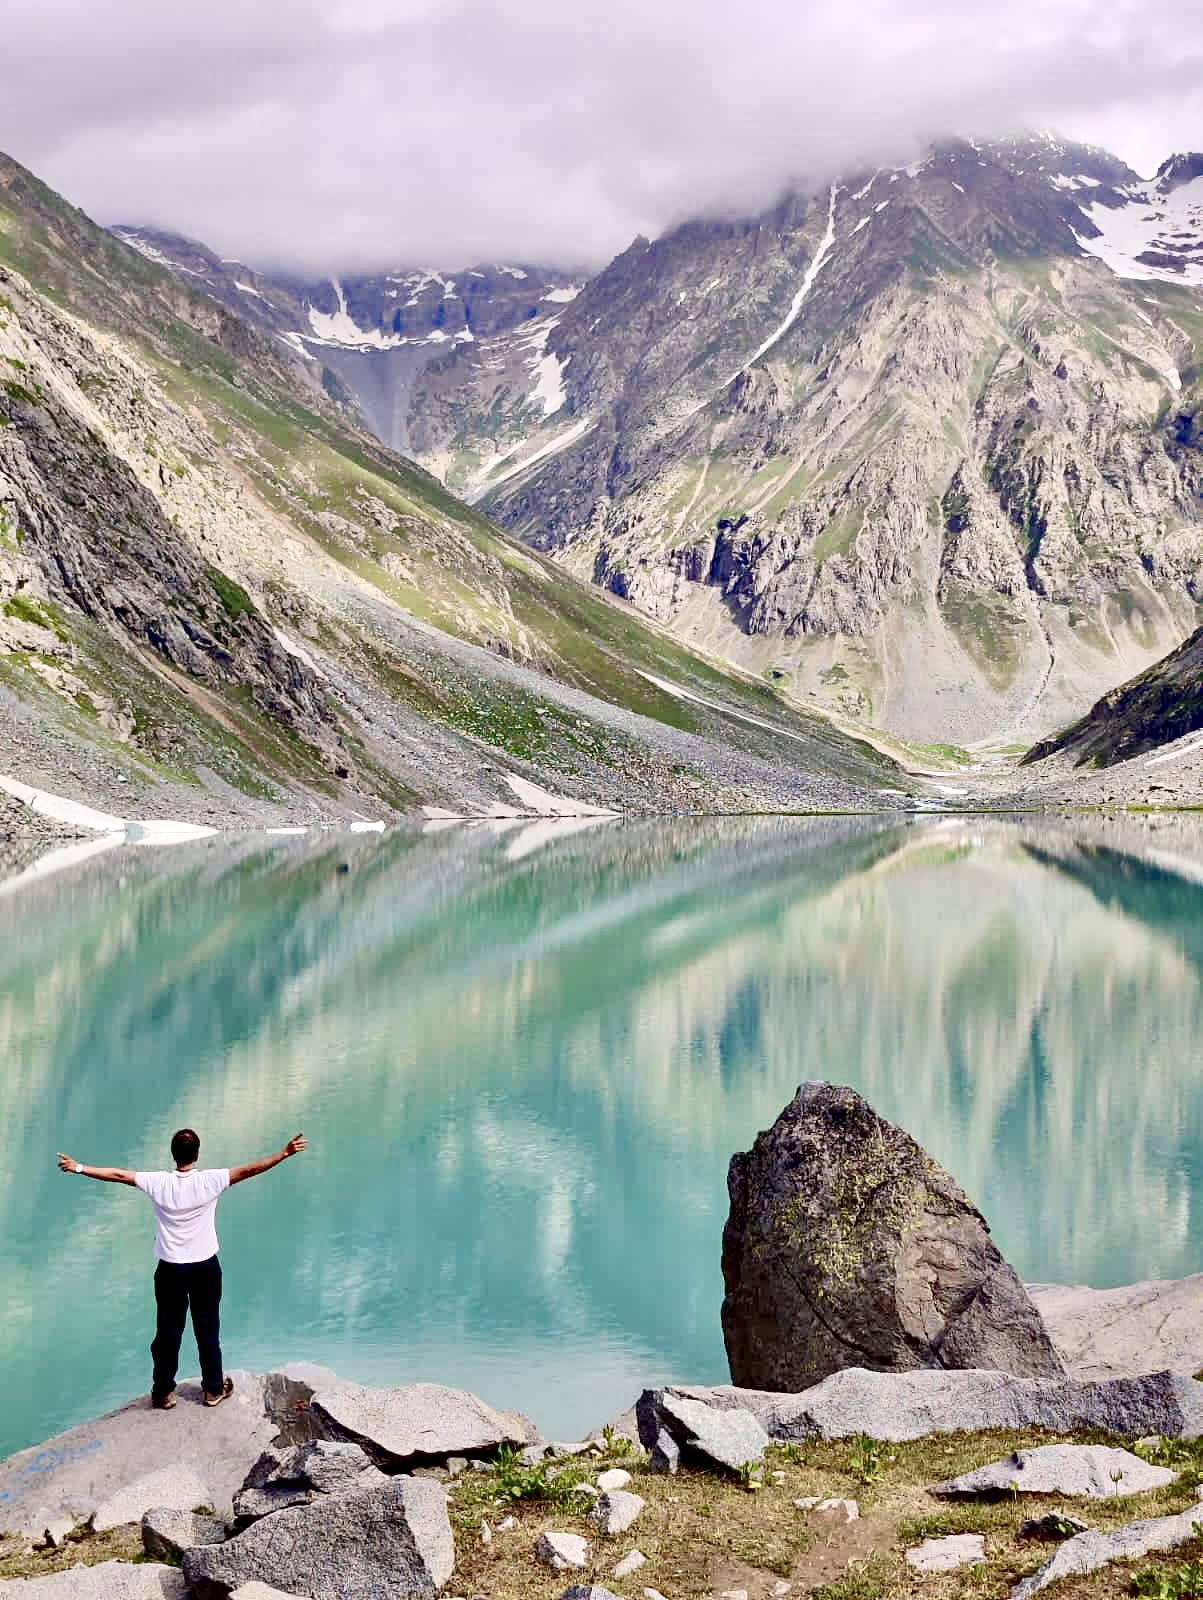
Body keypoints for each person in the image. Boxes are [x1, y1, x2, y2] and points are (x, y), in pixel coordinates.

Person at [56, 1128, 306, 1410]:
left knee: (168, 1331)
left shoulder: (158, 1182)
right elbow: (250, 1169)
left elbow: (118, 1175)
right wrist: (284, 1153)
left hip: (170, 1269)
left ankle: (163, 1392)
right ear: (197, 1154)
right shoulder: (210, 1180)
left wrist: (77, 1167)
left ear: (173, 1155)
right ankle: (213, 1389)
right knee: (207, 1327)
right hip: (205, 1268)